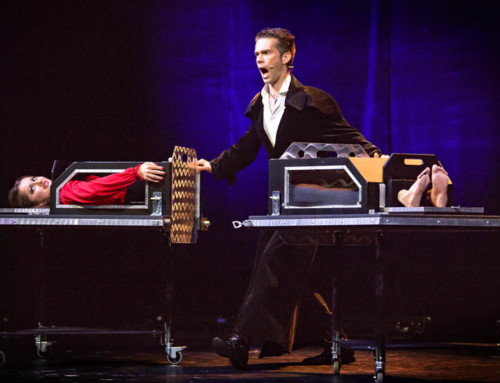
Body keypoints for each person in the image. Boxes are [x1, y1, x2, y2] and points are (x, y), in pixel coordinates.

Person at [196, 28, 382, 369]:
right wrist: (216, 165)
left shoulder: (312, 101)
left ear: (286, 57)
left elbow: (351, 137)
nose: (260, 61)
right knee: (295, 276)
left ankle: (241, 340)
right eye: (256, 55)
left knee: (274, 265)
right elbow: (249, 145)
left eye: (266, 53)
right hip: (281, 202)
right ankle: (335, 341)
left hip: (310, 201)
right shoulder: (259, 103)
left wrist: (380, 164)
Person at [8, 162, 165, 208]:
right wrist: (135, 173)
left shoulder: (63, 191)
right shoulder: (63, 193)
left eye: (34, 178)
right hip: (133, 195)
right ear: (39, 204)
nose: (39, 181)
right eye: (32, 189)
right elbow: (94, 190)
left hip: (130, 194)